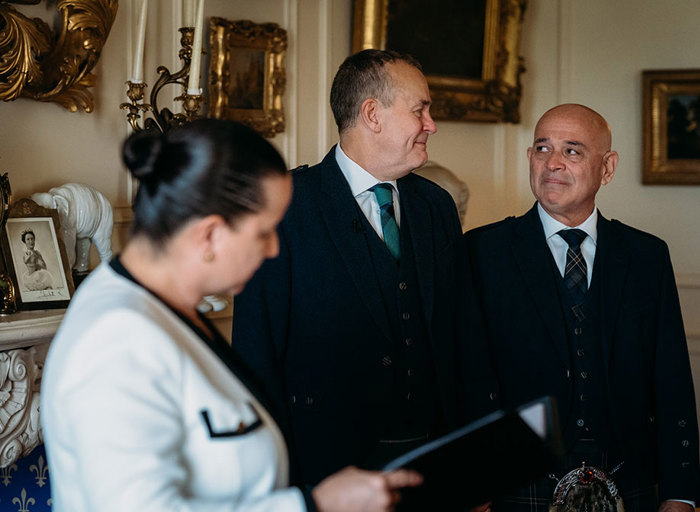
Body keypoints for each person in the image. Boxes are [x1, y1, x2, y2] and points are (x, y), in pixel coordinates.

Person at [40, 119, 423, 512]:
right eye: (264, 232)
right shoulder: (114, 339)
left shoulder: (169, 310)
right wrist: (315, 506)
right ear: (210, 235)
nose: (274, 249)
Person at [231, 48, 497, 489]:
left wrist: (478, 462)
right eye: (420, 110)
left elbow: (465, 342)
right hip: (323, 467)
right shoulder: (284, 206)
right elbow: (256, 356)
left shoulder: (436, 207)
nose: (431, 124)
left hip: (434, 464)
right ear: (372, 114)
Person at [464, 104, 700, 511]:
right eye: (542, 148)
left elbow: (672, 379)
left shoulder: (647, 256)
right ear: (529, 159)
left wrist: (681, 491)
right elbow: (466, 376)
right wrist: (473, 487)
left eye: (572, 151)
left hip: (630, 475)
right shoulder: (483, 251)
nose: (552, 163)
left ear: (607, 168)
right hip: (515, 481)